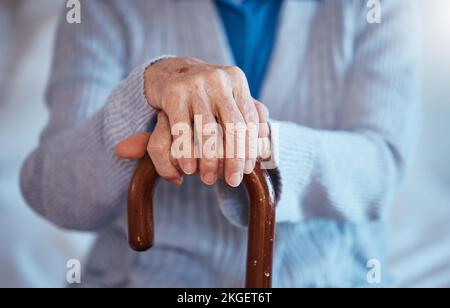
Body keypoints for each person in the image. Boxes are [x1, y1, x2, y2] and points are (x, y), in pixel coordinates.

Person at [20, 0, 421, 287]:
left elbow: (380, 169)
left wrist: (257, 140)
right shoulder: (103, 8)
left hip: (326, 276)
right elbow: (48, 188)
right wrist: (140, 99)